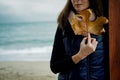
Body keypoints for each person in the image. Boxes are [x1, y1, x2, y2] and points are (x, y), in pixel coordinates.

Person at [50, 0, 109, 80]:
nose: (76, 0)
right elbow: (54, 67)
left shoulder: (107, 21)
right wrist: (80, 55)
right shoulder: (64, 23)